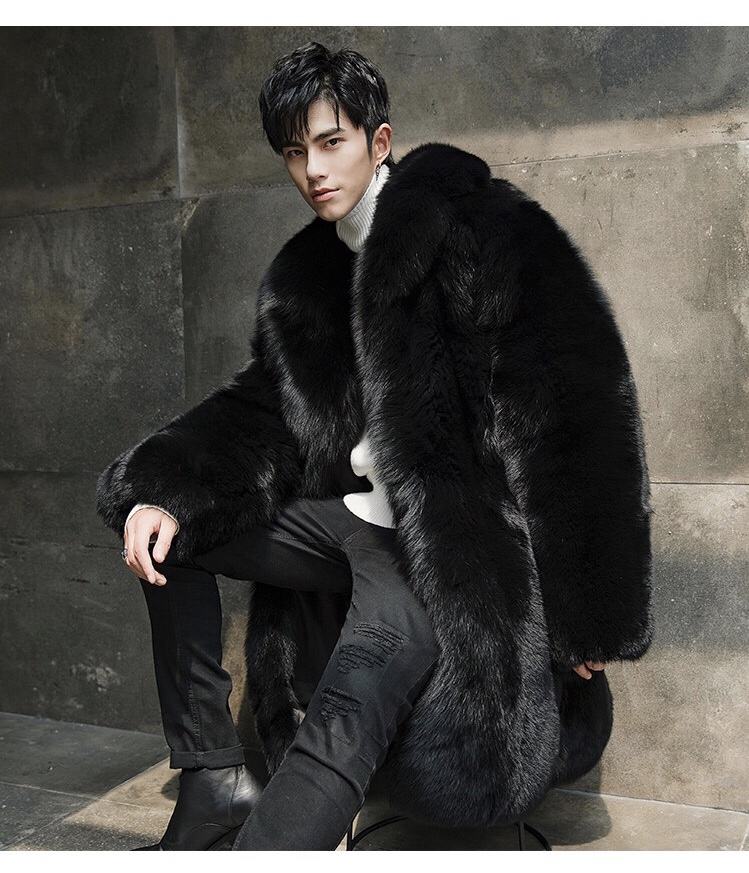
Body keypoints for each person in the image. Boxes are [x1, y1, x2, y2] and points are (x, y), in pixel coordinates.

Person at [97, 42, 652, 851]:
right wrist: (167, 490)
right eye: (296, 152)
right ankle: (212, 776)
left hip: (446, 547)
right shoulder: (304, 274)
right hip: (343, 523)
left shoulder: (487, 231)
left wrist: (590, 612)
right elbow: (265, 408)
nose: (314, 170)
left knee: (349, 704)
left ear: (378, 140)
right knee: (165, 533)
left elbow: (582, 410)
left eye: (332, 142)